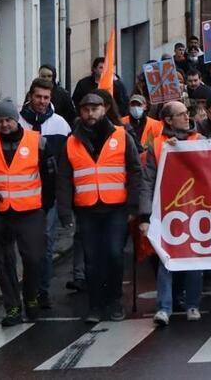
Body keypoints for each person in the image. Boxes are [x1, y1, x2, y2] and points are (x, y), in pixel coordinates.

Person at [57, 92, 142, 323]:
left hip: (116, 207)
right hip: (87, 209)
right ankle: (95, 305)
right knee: (92, 259)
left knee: (114, 255)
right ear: (80, 112)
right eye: (85, 109)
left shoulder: (122, 136)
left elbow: (135, 170)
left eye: (94, 109)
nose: (90, 113)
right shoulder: (71, 142)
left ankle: (115, 300)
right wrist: (64, 211)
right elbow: (64, 178)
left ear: (103, 109)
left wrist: (134, 204)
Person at [0, 99, 50, 326]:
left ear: (16, 119)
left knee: (33, 258)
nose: (4, 125)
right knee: (4, 263)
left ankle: (30, 296)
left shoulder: (37, 141)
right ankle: (12, 307)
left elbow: (50, 175)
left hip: (30, 212)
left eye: (8, 120)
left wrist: (46, 205)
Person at [140, 100, 204, 327]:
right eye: (181, 114)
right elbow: (147, 181)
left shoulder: (200, 141)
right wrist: (145, 216)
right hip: (167, 210)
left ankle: (193, 304)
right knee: (166, 258)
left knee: (195, 258)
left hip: (197, 208)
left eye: (187, 113)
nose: (187, 118)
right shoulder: (158, 145)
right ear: (168, 120)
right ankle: (164, 308)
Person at [19, 78, 75, 307]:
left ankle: (41, 290)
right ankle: (30, 289)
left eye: (46, 98)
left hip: (48, 195)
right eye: (38, 97)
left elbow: (67, 161)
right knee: (27, 247)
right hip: (22, 195)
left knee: (47, 243)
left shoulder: (60, 125)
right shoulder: (18, 122)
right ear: (30, 96)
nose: (42, 101)